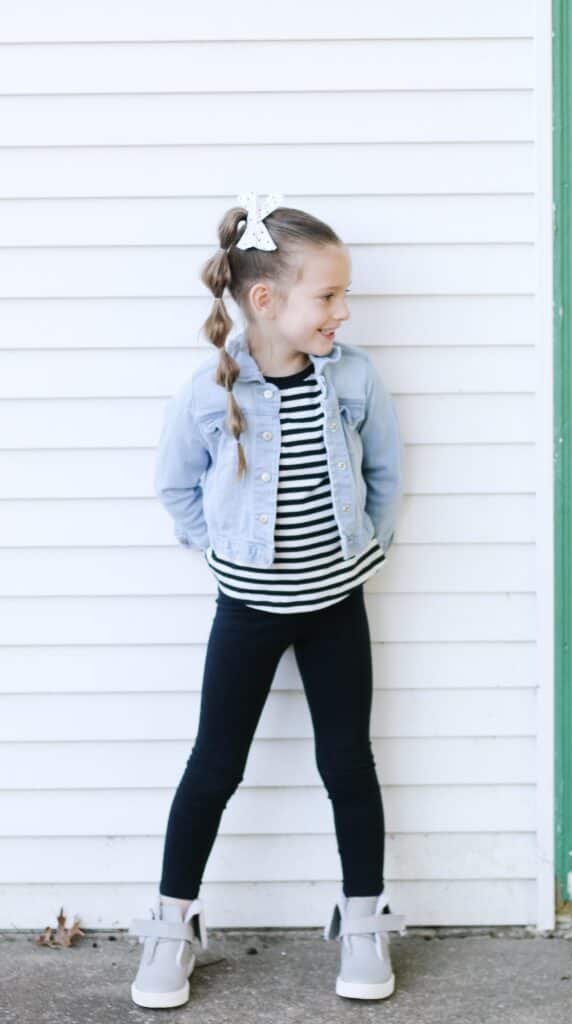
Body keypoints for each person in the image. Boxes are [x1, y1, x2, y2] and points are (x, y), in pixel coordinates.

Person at [127, 193, 406, 1009]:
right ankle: (172, 923)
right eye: (328, 296)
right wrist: (219, 557)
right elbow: (175, 486)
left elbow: (385, 474)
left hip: (335, 608)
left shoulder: (352, 378)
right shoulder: (211, 391)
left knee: (348, 764)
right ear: (265, 300)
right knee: (213, 765)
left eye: (342, 296)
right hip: (245, 611)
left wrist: (367, 549)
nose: (343, 312)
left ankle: (362, 920)